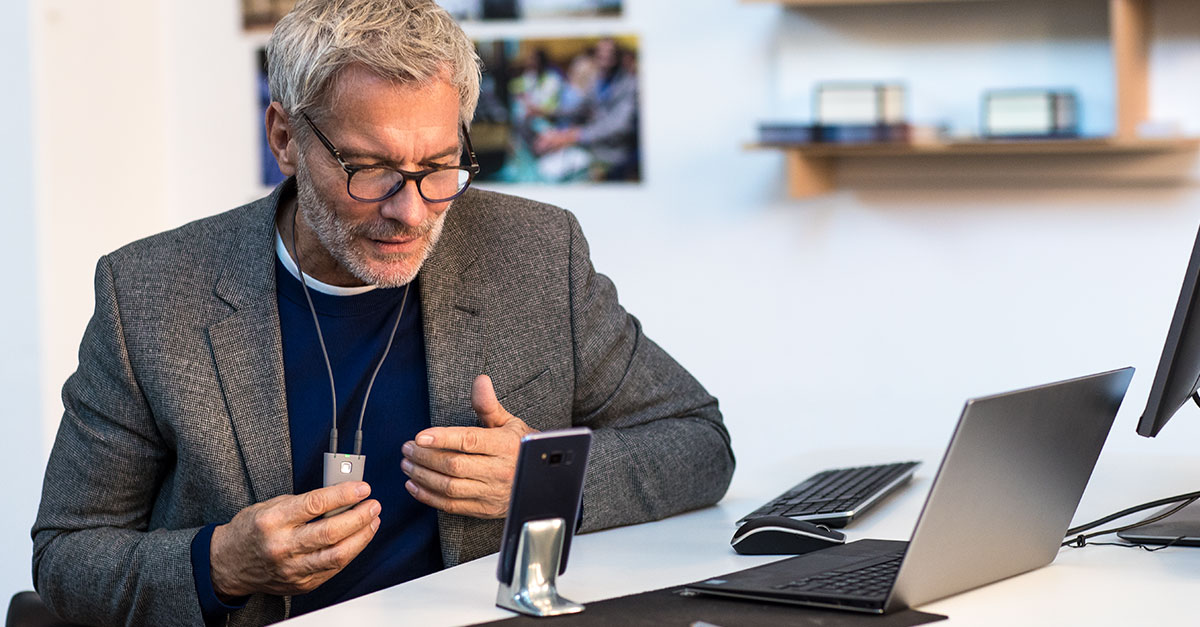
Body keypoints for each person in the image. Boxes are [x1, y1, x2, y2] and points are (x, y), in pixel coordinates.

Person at [30, 1, 734, 626]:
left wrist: (543, 477)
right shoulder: (150, 293)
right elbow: (66, 553)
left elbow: (699, 443)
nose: (411, 210)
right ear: (284, 140)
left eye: (439, 165)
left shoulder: (538, 252)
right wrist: (218, 563)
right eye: (369, 169)